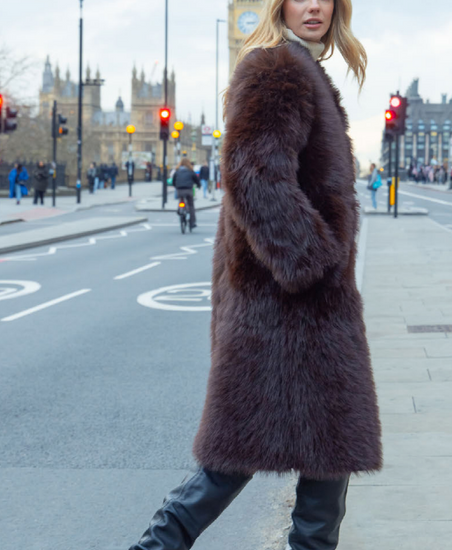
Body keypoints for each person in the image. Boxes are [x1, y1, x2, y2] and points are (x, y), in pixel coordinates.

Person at [127, 1, 382, 549]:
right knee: (238, 459)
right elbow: (253, 176)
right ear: (279, 5)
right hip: (288, 306)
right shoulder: (278, 68)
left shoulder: (304, 68)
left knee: (322, 458)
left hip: (300, 305)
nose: (314, 5)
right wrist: (314, 264)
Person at [173, 158, 199, 228]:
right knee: (190, 205)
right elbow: (196, 179)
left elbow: (173, 180)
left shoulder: (177, 170)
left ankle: (179, 209)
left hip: (179, 190)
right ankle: (192, 222)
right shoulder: (190, 170)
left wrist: (176, 186)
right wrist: (199, 185)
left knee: (181, 200)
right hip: (188, 190)